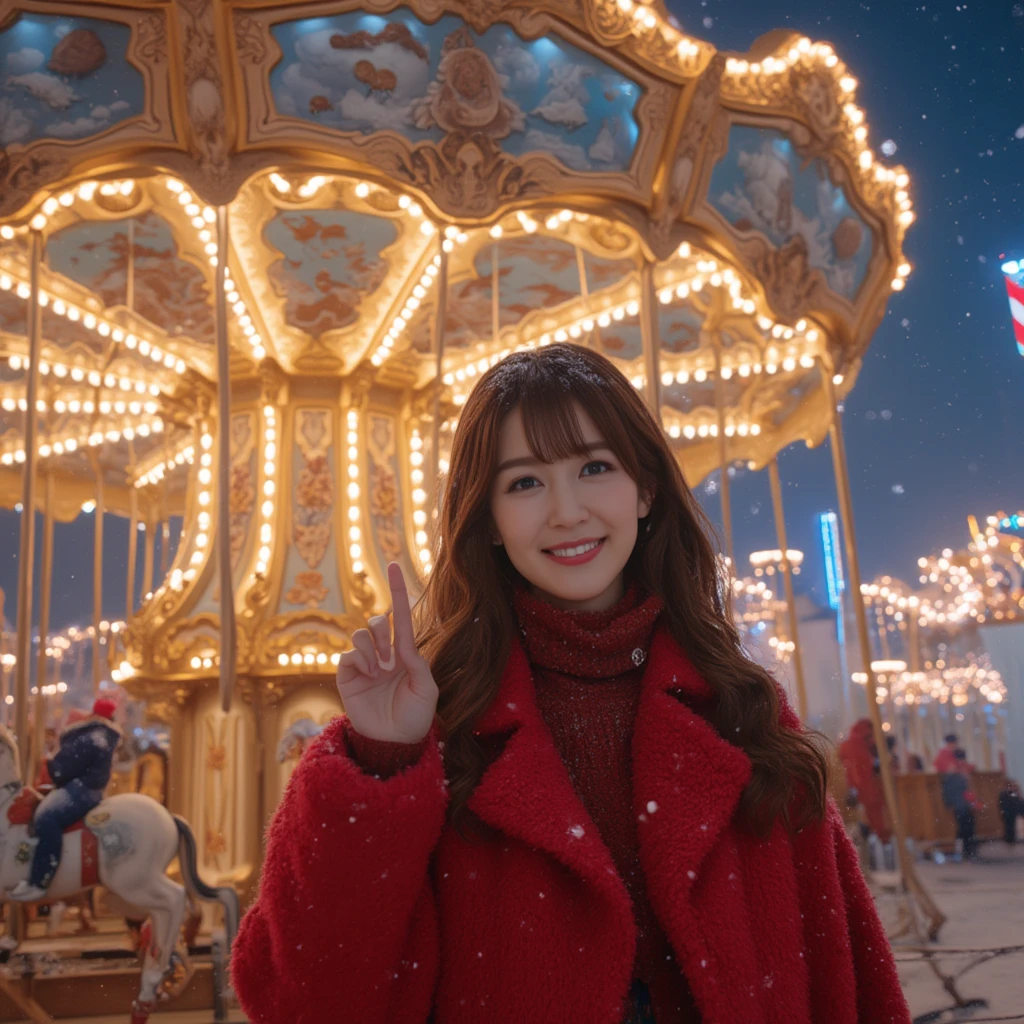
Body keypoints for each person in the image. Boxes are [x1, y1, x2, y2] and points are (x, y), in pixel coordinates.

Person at [231, 343, 910, 1023]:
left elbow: (845, 967)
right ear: (489, 519)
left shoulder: (740, 713)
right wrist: (381, 761)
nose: (566, 511)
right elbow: (302, 998)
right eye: (525, 482)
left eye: (594, 467)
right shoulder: (448, 732)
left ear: (644, 489)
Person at [8, 698, 121, 902]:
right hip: (88, 788)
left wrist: (49, 763)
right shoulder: (102, 735)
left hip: (81, 789)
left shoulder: (91, 736)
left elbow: (62, 769)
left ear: (94, 714)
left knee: (45, 817)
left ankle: (40, 879)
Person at [940, 748, 978, 861]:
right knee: (966, 828)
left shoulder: (952, 771)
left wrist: (948, 803)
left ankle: (964, 851)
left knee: (964, 827)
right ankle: (966, 851)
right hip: (963, 804)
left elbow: (947, 790)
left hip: (960, 804)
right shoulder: (959, 771)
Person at [998, 780, 1023, 845]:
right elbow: (1002, 804)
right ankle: (1009, 839)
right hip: (1007, 812)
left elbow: (1018, 802)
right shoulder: (1004, 793)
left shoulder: (1014, 793)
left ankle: (1011, 839)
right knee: (1008, 826)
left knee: (1012, 826)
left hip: (1013, 812)